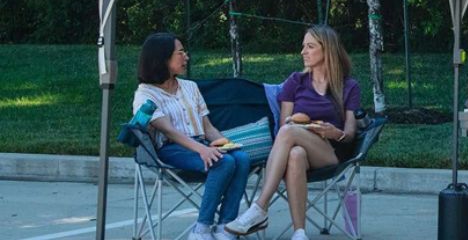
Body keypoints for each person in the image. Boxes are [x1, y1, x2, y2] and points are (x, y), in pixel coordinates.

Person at [226, 25, 361, 240]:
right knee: (295, 154)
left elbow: (350, 132)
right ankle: (299, 233)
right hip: (299, 150)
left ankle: (260, 207)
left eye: (310, 47)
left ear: (327, 49)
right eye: (303, 46)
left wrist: (334, 133)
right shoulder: (296, 81)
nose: (303, 52)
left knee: (289, 132)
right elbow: (284, 124)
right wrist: (298, 125)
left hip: (330, 153)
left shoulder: (348, 86)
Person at [133, 32, 251, 240]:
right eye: (180, 53)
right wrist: (203, 150)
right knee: (222, 163)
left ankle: (226, 227)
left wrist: (226, 143)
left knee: (241, 158)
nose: (186, 57)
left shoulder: (190, 87)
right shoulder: (145, 94)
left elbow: (208, 127)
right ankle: (201, 229)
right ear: (163, 58)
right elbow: (169, 131)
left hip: (200, 143)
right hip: (171, 149)